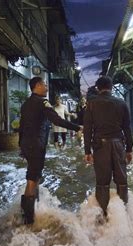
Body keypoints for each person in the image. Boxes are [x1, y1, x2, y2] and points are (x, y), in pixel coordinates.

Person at [19, 77, 81, 224]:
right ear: (38, 86)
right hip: (36, 144)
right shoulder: (42, 103)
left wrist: (21, 146)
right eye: (45, 85)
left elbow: (21, 126)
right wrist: (77, 127)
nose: (47, 87)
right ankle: (28, 220)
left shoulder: (25, 104)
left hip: (27, 144)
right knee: (33, 179)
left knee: (34, 176)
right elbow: (57, 120)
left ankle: (32, 210)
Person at [83, 76, 133, 218]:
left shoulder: (91, 104)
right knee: (122, 180)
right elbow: (127, 129)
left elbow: (88, 129)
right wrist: (129, 149)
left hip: (100, 146)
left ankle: (103, 215)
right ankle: (123, 214)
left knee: (103, 182)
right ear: (111, 87)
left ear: (98, 89)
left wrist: (87, 151)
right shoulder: (121, 103)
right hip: (118, 144)